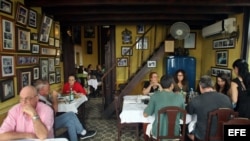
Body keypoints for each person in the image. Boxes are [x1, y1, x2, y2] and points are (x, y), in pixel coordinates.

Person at [186, 75, 232, 141]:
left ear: (200, 86)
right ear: (212, 86)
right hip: (223, 134)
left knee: (186, 128)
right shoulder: (226, 98)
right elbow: (231, 115)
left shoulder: (196, 100)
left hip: (203, 136)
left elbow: (188, 112)